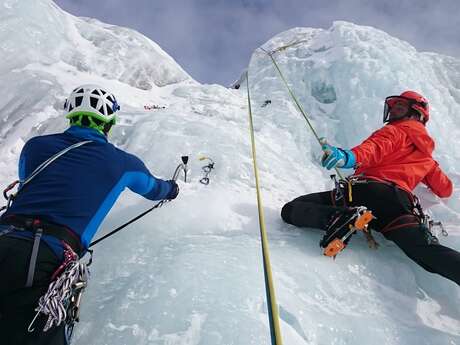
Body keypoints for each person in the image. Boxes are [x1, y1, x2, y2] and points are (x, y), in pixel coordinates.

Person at [0, 85, 179, 344]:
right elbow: (153, 188)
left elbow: (27, 180)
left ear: (70, 115)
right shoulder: (122, 162)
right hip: (44, 255)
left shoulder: (36, 147)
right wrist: (172, 189)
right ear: (110, 122)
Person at [281, 90, 460, 285]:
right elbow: (445, 190)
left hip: (364, 191)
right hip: (396, 206)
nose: (392, 112)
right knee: (425, 251)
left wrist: (347, 157)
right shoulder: (427, 158)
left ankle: (339, 217)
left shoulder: (395, 130)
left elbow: (374, 148)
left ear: (416, 112)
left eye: (399, 107)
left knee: (291, 209)